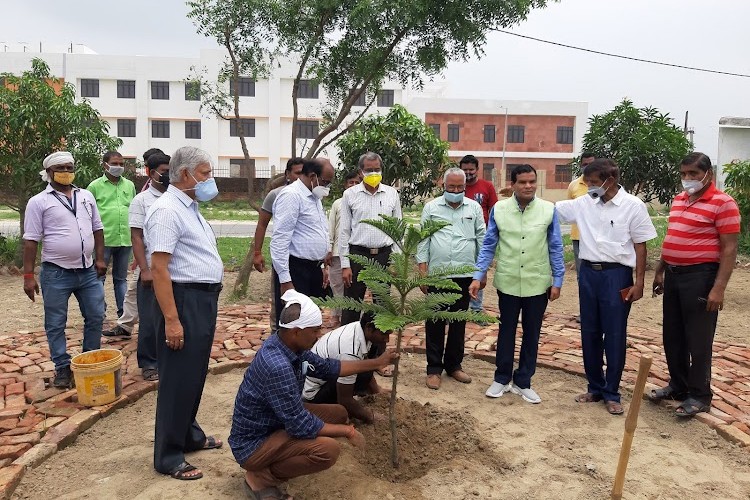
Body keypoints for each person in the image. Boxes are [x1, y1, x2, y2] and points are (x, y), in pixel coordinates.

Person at [229, 290, 397, 499]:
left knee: (337, 412)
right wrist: (347, 432)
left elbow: (329, 367)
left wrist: (377, 363)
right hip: (255, 443)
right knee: (328, 450)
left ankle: (285, 458)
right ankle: (261, 478)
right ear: (297, 331)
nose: (319, 335)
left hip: (277, 422)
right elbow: (299, 424)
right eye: (315, 330)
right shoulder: (277, 365)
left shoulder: (290, 346)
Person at [144, 146, 225, 480]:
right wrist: (173, 320)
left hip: (201, 299)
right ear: (184, 175)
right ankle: (168, 454)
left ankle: (189, 435)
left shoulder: (189, 207)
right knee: (178, 378)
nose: (209, 180)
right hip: (183, 300)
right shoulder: (167, 211)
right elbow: (160, 269)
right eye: (205, 173)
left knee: (194, 373)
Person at [555, 158, 657, 415]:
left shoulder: (633, 206)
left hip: (617, 276)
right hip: (588, 273)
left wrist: (639, 281)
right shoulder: (584, 203)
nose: (589, 187)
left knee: (614, 334)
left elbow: (641, 244)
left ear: (610, 181)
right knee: (589, 332)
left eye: (593, 182)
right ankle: (595, 387)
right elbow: (553, 210)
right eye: (587, 182)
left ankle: (612, 392)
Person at [650, 152, 740, 418]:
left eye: (693, 174)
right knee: (673, 336)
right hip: (674, 275)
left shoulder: (723, 203)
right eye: (684, 174)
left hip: (700, 278)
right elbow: (673, 236)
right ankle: (678, 385)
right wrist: (660, 270)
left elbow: (730, 248)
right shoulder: (680, 199)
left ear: (707, 174)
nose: (687, 179)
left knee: (698, 340)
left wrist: (718, 288)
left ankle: (700, 395)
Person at [471, 165, 564, 403]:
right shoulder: (499, 209)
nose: (528, 186)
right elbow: (489, 244)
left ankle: (523, 381)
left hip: (537, 282)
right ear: (513, 184)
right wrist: (478, 274)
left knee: (532, 333)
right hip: (508, 281)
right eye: (522, 182)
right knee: (506, 331)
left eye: (532, 181)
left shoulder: (548, 210)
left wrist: (558, 280)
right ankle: (501, 378)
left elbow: (555, 246)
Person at [22, 151, 107, 388]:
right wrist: (28, 276)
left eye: (70, 168)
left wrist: (100, 258)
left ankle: (89, 361)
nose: (67, 172)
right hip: (56, 273)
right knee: (56, 323)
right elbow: (30, 240)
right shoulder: (39, 202)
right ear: (49, 173)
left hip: (88, 271)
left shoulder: (86, 196)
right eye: (61, 168)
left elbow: (97, 229)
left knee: (96, 316)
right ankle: (61, 367)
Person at [417, 167, 486, 390]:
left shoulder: (474, 208)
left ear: (465, 187)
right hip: (438, 274)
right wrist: (422, 270)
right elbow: (423, 239)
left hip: (465, 274)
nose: (455, 191)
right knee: (435, 321)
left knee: (458, 322)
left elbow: (482, 239)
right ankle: (434, 369)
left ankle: (454, 366)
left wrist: (481, 272)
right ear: (443, 186)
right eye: (451, 187)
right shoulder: (432, 207)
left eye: (459, 187)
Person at [113, 153, 171, 381]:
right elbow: (136, 238)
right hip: (152, 268)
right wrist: (145, 269)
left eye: (170, 170)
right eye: (164, 171)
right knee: (149, 318)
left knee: (170, 316)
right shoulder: (142, 200)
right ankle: (149, 363)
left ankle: (168, 358)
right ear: (150, 172)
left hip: (174, 269)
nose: (167, 175)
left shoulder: (177, 198)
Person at [105, 148, 168, 338]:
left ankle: (129, 325)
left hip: (163, 257)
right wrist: (141, 262)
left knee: (136, 291)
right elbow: (138, 234)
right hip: (144, 255)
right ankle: (129, 327)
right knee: (135, 290)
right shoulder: (143, 196)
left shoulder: (172, 194)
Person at [339, 152, 403, 326]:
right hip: (357, 256)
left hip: (383, 255)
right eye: (369, 170)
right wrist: (345, 265)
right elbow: (344, 231)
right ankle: (347, 347)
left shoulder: (391, 194)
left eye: (377, 169)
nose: (373, 173)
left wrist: (395, 261)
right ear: (360, 172)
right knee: (351, 305)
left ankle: (377, 349)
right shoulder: (350, 195)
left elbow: (397, 230)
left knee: (381, 305)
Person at [270, 159, 334, 325]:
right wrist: (285, 281)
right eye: (326, 182)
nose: (327, 187)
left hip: (313, 268)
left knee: (310, 320)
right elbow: (279, 241)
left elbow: (317, 230)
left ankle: (305, 351)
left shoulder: (314, 197)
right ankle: (285, 351)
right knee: (294, 322)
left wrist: (322, 265)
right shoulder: (291, 196)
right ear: (313, 176)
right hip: (296, 269)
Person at [302, 311, 390, 421]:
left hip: (326, 375)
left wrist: (377, 389)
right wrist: (371, 417)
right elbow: (345, 399)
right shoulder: (350, 350)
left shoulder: (360, 329)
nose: (387, 339)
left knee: (366, 368)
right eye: (384, 333)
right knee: (343, 409)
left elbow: (365, 363)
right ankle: (336, 410)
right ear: (369, 328)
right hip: (314, 395)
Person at [252, 158, 304, 335]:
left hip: (304, 260)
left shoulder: (311, 195)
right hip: (284, 257)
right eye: (297, 173)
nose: (300, 177)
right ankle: (278, 334)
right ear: (287, 174)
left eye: (303, 173)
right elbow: (262, 224)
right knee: (281, 299)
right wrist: (257, 252)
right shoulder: (276, 195)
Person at [87, 151, 136, 319]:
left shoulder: (129, 185)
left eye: (121, 164)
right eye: (115, 164)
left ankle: (123, 315)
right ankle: (99, 313)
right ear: (105, 165)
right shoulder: (94, 186)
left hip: (125, 239)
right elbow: (88, 214)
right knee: (98, 278)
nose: (119, 167)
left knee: (121, 279)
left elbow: (134, 210)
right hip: (103, 240)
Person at [460, 155, 498, 315]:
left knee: (478, 271)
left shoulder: (487, 186)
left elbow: (494, 210)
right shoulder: (456, 186)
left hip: (481, 237)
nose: (468, 173)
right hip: (460, 235)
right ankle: (457, 307)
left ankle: (475, 308)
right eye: (465, 170)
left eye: (471, 170)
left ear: (477, 170)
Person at [328, 170, 362, 326]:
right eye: (351, 183)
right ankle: (336, 315)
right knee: (336, 285)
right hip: (336, 253)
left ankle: (349, 320)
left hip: (355, 253)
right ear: (345, 184)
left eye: (356, 183)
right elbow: (332, 228)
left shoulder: (363, 203)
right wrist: (328, 249)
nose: (353, 186)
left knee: (353, 288)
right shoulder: (338, 203)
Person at [567, 153, 596, 274]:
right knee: (581, 273)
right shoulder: (573, 185)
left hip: (597, 235)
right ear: (580, 166)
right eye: (585, 164)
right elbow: (570, 210)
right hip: (578, 236)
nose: (588, 167)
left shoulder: (603, 184)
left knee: (597, 271)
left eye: (591, 164)